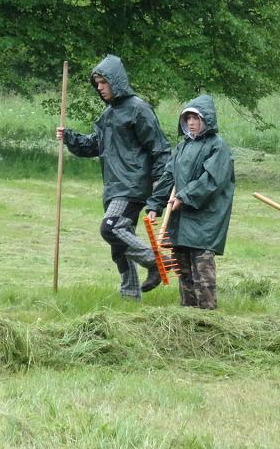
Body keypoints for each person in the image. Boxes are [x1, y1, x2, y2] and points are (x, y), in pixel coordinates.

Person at [56, 54, 171, 300]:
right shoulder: (108, 115)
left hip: (132, 185)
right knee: (119, 246)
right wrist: (69, 137)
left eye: (103, 82)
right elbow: (93, 145)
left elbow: (159, 148)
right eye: (96, 83)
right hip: (113, 185)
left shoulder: (139, 109)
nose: (99, 88)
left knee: (110, 228)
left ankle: (155, 261)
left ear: (115, 81)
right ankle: (129, 295)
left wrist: (159, 185)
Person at [151, 94, 235, 310]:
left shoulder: (218, 147)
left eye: (195, 118)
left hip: (204, 221)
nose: (191, 122)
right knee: (183, 270)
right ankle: (187, 316)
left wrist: (184, 197)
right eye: (187, 118)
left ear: (206, 120)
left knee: (202, 272)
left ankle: (207, 318)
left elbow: (211, 181)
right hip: (180, 221)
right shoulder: (182, 147)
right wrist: (154, 205)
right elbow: (168, 177)